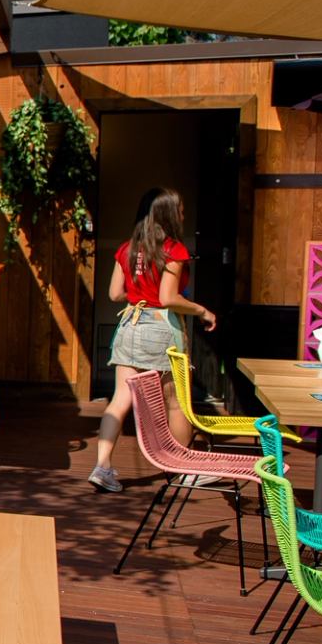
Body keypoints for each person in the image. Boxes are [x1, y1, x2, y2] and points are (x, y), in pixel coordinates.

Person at [88, 187, 217, 493]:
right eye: (181, 210)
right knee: (176, 402)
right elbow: (167, 298)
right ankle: (184, 468)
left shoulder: (127, 249)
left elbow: (115, 294)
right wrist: (202, 310)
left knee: (120, 399)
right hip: (160, 329)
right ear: (169, 214)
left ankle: (102, 466)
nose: (184, 215)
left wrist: (138, 288)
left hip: (131, 325)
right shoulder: (173, 251)